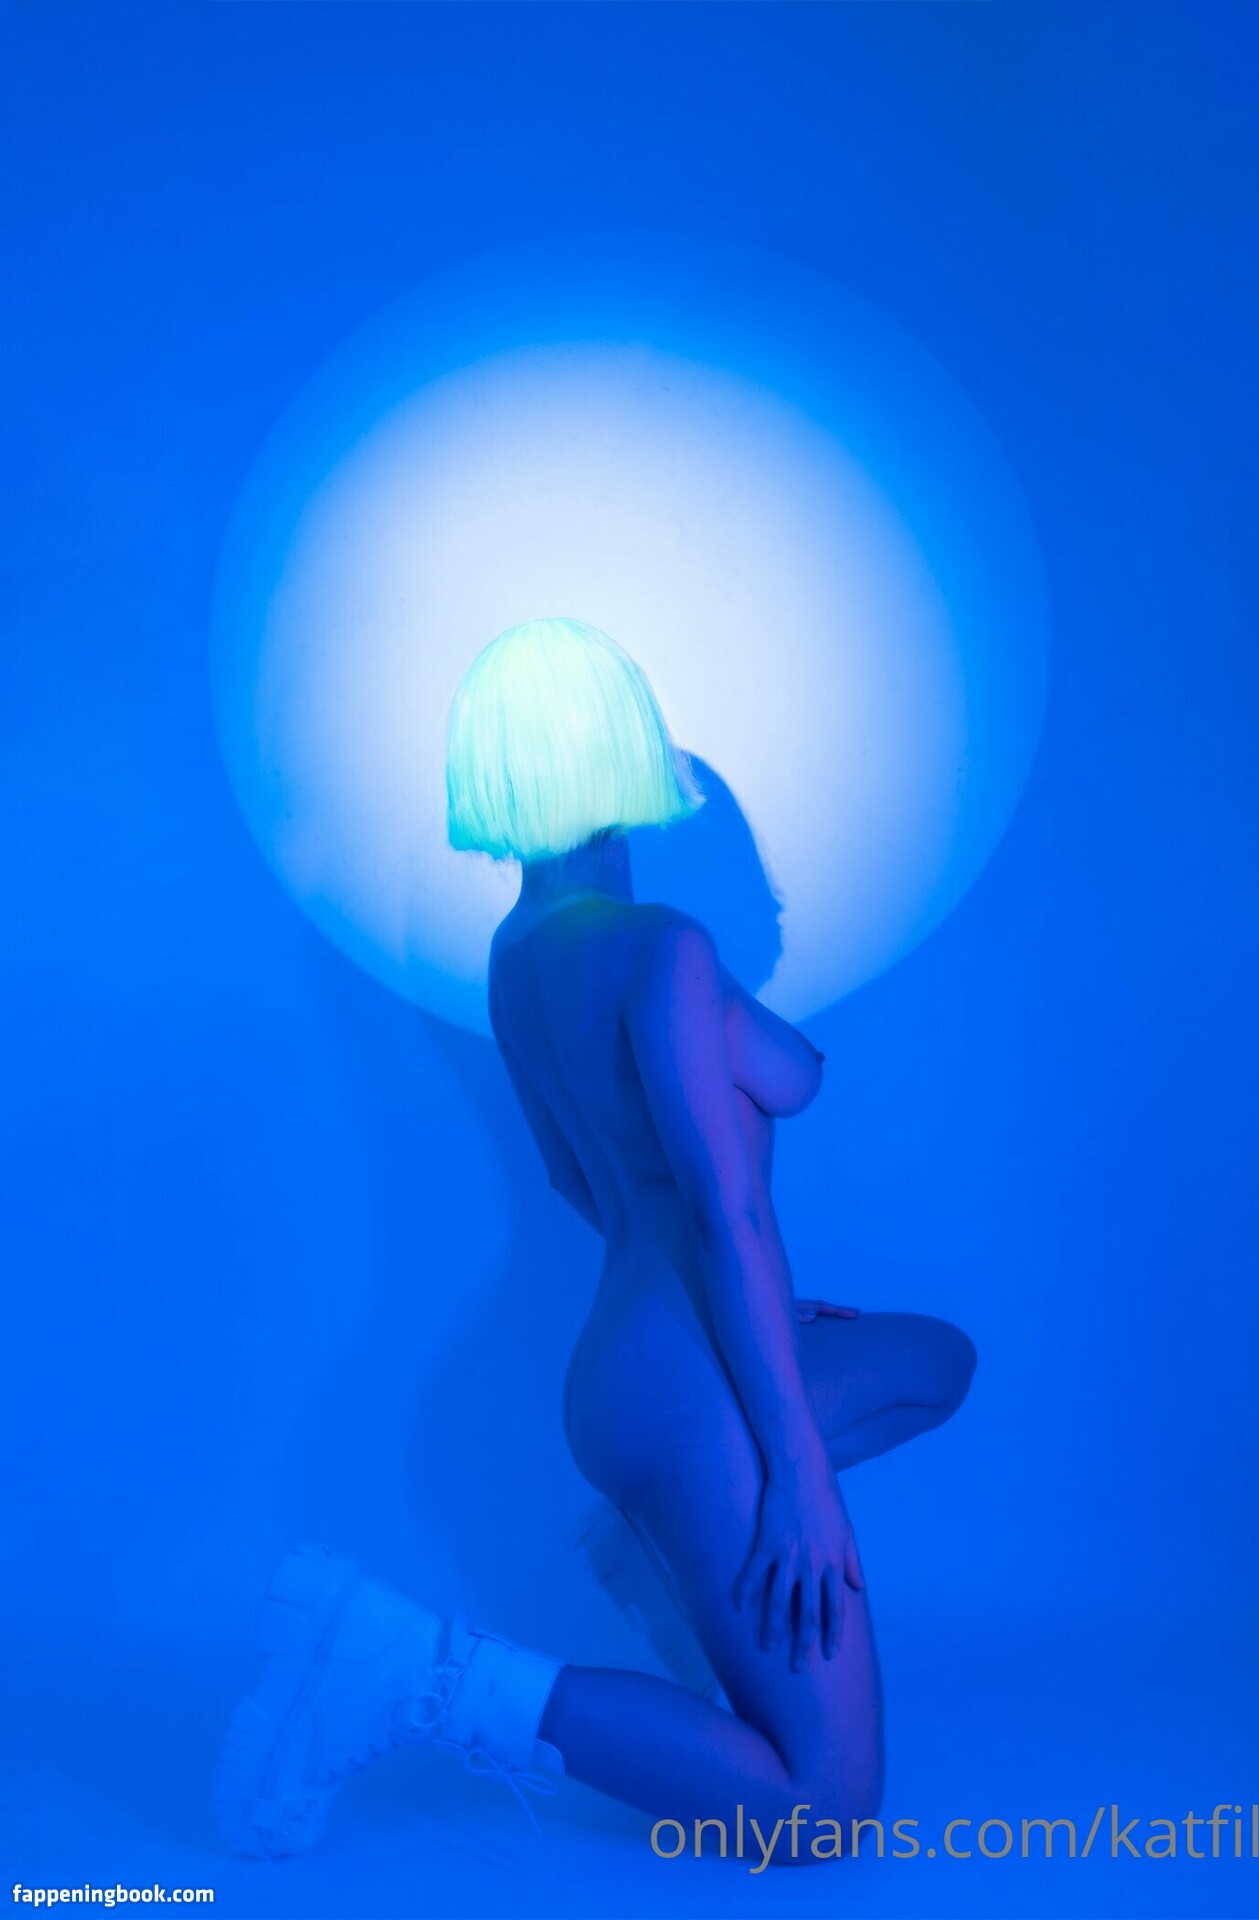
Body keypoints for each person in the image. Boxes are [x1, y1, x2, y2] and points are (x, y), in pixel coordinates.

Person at [216, 617, 976, 1865]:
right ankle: (417, 1668)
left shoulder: (517, 956)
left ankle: (662, 1536)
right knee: (822, 1807)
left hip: (634, 1356)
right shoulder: (665, 950)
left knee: (936, 1358)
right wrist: (792, 1470)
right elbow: (732, 1206)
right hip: (682, 1380)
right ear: (619, 746)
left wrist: (744, 1320)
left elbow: (582, 1177)